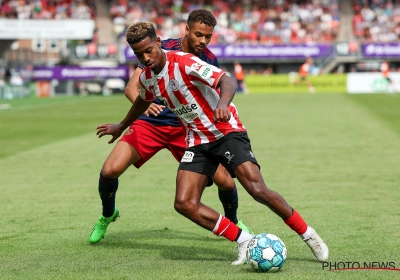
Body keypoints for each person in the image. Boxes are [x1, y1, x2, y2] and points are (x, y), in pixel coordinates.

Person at [96, 22, 329, 265]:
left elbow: (227, 80)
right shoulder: (147, 77)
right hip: (197, 139)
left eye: (148, 50)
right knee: (184, 203)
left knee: (257, 189)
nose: (145, 57)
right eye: (138, 54)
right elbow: (142, 100)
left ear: (158, 42)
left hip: (225, 131)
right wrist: (122, 125)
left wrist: (222, 105)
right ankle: (244, 240)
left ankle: (308, 234)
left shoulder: (185, 62)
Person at [89, 9, 253, 244]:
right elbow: (131, 88)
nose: (202, 41)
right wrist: (144, 108)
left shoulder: (207, 58)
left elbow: (215, 94)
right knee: (109, 170)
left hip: (187, 130)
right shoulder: (157, 48)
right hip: (151, 124)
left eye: (207, 36)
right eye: (198, 34)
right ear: (186, 30)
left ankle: (233, 221)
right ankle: (107, 214)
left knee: (226, 182)